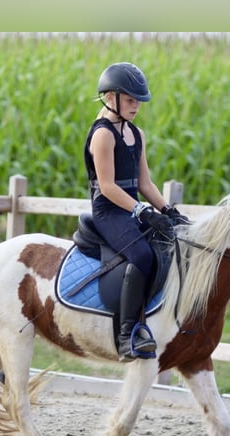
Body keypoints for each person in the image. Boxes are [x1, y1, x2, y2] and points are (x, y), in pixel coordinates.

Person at [83, 61, 190, 362]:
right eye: (130, 100)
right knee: (142, 255)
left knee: (168, 245)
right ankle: (127, 333)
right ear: (111, 97)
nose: (136, 106)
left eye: (138, 101)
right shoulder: (103, 135)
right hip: (109, 211)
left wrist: (168, 210)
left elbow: (144, 182)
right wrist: (142, 211)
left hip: (132, 208)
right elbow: (107, 187)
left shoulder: (136, 133)